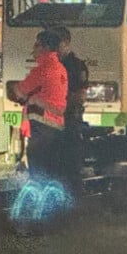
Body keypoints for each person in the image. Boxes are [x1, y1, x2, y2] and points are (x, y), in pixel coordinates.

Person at [10, 29, 68, 182]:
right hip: (57, 126)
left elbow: (20, 91)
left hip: (41, 127)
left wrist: (20, 92)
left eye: (36, 45)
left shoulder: (42, 70)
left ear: (46, 48)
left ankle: (40, 202)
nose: (33, 49)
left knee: (38, 171)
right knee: (53, 171)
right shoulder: (60, 68)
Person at [53, 26, 89, 193]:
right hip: (51, 124)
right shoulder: (51, 65)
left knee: (71, 167)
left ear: (66, 43)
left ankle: (76, 204)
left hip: (69, 121)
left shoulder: (75, 66)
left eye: (56, 43)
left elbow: (80, 96)